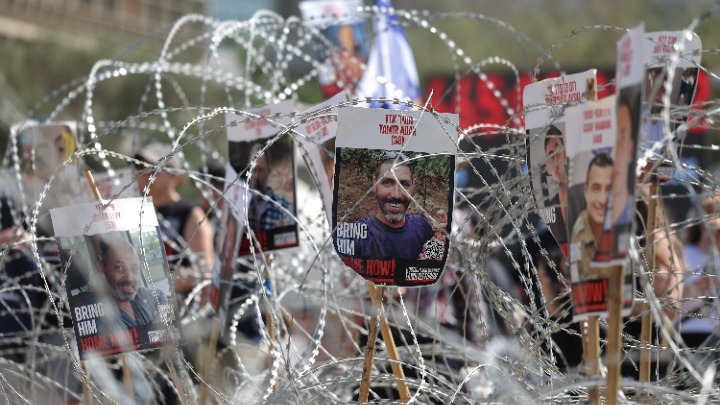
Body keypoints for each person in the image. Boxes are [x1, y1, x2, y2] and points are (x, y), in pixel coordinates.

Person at [134, 142, 215, 297]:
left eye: (152, 168)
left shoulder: (191, 213)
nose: (144, 174)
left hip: (182, 304)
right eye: (139, 167)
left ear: (175, 176)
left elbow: (205, 271)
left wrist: (160, 280)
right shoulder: (135, 214)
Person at [352, 151, 434, 259]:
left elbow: (436, 254)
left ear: (412, 188)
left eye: (404, 184)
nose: (396, 195)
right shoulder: (357, 236)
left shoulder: (422, 225)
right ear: (375, 184)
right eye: (387, 182)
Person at [94, 234, 168, 329]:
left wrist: (162, 320)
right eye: (119, 268)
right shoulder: (96, 312)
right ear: (102, 268)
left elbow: (162, 297)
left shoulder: (140, 294)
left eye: (134, 268)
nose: (129, 277)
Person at [570, 153, 613, 280]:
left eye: (609, 189)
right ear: (586, 192)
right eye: (596, 188)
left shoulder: (626, 226)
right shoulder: (580, 231)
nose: (603, 200)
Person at [246, 142, 294, 231]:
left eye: (260, 170)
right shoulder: (241, 206)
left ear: (269, 171)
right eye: (253, 170)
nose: (256, 176)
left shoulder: (283, 210)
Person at [543, 125, 569, 254]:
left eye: (558, 152)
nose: (555, 160)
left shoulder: (582, 194)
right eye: (551, 156)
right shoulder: (549, 209)